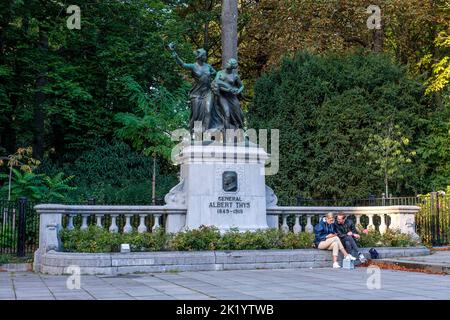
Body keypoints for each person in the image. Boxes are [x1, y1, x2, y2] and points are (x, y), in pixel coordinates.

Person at [168, 43, 220, 133]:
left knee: (208, 111)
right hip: (197, 93)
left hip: (208, 92)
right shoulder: (193, 66)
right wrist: (174, 53)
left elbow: (216, 73)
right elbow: (183, 65)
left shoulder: (208, 66)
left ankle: (206, 132)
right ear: (200, 57)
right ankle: (196, 133)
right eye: (204, 55)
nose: (206, 57)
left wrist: (214, 81)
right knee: (196, 114)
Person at [211, 58, 245, 131]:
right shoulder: (219, 73)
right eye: (227, 62)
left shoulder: (235, 76)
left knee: (238, 113)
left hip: (232, 97)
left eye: (229, 63)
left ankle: (239, 128)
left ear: (233, 66)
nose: (227, 64)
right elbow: (216, 82)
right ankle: (227, 134)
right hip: (222, 96)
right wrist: (227, 89)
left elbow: (242, 86)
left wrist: (238, 91)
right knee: (227, 114)